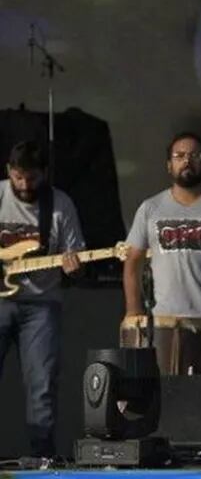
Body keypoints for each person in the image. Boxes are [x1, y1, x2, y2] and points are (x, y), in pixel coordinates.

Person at [121, 132, 201, 375]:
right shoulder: (150, 208)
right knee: (160, 396)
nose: (187, 161)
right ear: (169, 165)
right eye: (179, 156)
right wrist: (133, 309)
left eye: (194, 155)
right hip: (163, 321)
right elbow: (132, 262)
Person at [0, 140, 84, 458]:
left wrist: (73, 268)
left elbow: (75, 261)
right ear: (9, 171)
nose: (24, 186)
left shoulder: (59, 205)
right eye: (18, 177)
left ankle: (41, 458)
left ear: (43, 174)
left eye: (31, 178)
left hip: (41, 303)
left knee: (42, 383)